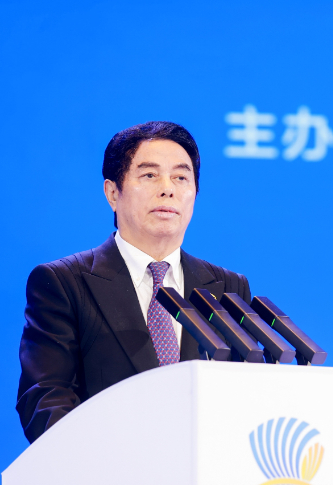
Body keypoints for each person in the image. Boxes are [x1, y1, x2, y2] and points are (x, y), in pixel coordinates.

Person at [16, 121, 250, 443]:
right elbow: (45, 400)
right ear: (113, 193)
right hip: (107, 468)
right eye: (150, 175)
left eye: (181, 177)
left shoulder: (227, 288)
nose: (168, 189)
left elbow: (243, 399)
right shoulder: (64, 283)